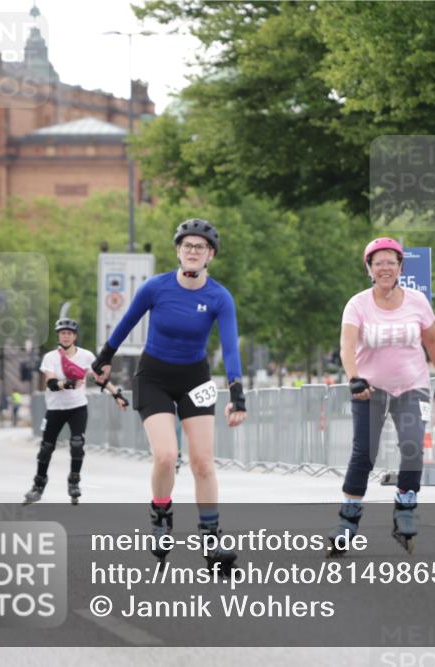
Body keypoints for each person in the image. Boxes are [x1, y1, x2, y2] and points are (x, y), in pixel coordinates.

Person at [91, 218, 247, 572]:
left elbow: (230, 346)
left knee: (203, 462)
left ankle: (211, 540)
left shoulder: (219, 297)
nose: (193, 252)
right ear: (178, 251)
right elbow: (126, 323)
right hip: (154, 376)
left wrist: (237, 392)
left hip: (195, 378)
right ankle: (161, 513)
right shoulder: (155, 288)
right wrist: (104, 358)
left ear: (210, 255)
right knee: (165, 456)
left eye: (200, 247)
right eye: (187, 246)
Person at [328, 237, 435, 556]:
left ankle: (405, 509)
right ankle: (348, 520)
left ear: (400, 267)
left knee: (412, 446)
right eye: (378, 263)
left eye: (391, 262)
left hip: (412, 385)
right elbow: (347, 346)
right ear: (369, 268)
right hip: (370, 387)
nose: (385, 268)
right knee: (364, 454)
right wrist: (354, 379)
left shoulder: (417, 301)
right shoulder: (357, 304)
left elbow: (433, 341)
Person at [23, 318, 128, 505]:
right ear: (58, 336)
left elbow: (100, 379)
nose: (66, 336)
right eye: (62, 333)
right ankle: (38, 485)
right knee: (47, 448)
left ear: (75, 336)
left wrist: (117, 395)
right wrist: (67, 383)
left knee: (77, 444)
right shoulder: (51, 357)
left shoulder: (86, 356)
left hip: (77, 407)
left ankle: (74, 482)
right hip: (55, 409)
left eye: (69, 333)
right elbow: (51, 383)